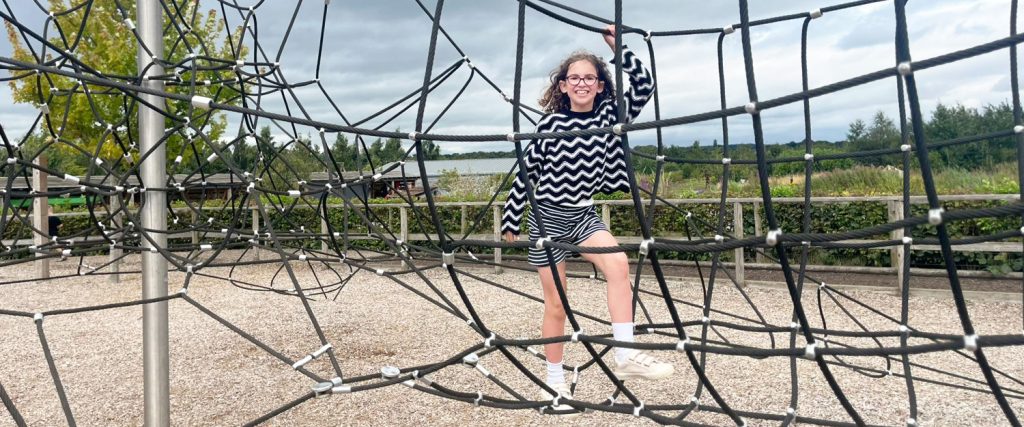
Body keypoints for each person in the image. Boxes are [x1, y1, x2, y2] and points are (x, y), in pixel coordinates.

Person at [501, 25, 673, 409]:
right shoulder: (550, 125)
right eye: (574, 77)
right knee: (558, 305)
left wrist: (617, 47)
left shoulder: (611, 114)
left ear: (600, 86)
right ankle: (555, 382)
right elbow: (526, 174)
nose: (581, 83)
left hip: (582, 215)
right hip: (546, 219)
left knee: (618, 264)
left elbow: (644, 85)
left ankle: (625, 354)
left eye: (589, 78)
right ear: (562, 86)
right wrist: (511, 218)